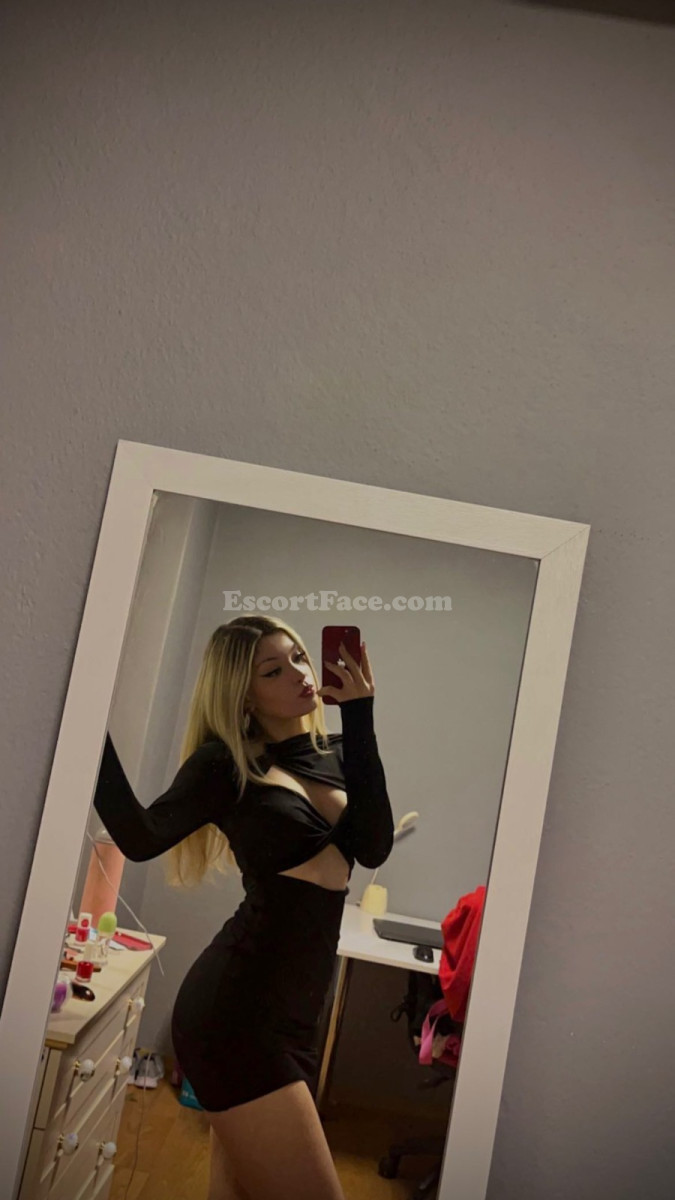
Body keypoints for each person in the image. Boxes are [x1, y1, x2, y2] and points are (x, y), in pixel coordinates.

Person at [93, 614, 394, 1200]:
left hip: (297, 1014)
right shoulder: (225, 765)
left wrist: (360, 714)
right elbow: (142, 836)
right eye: (273, 671)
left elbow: (373, 845)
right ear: (244, 694)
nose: (300, 674)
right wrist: (88, 728)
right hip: (237, 1016)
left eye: (300, 657)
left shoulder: (337, 752)